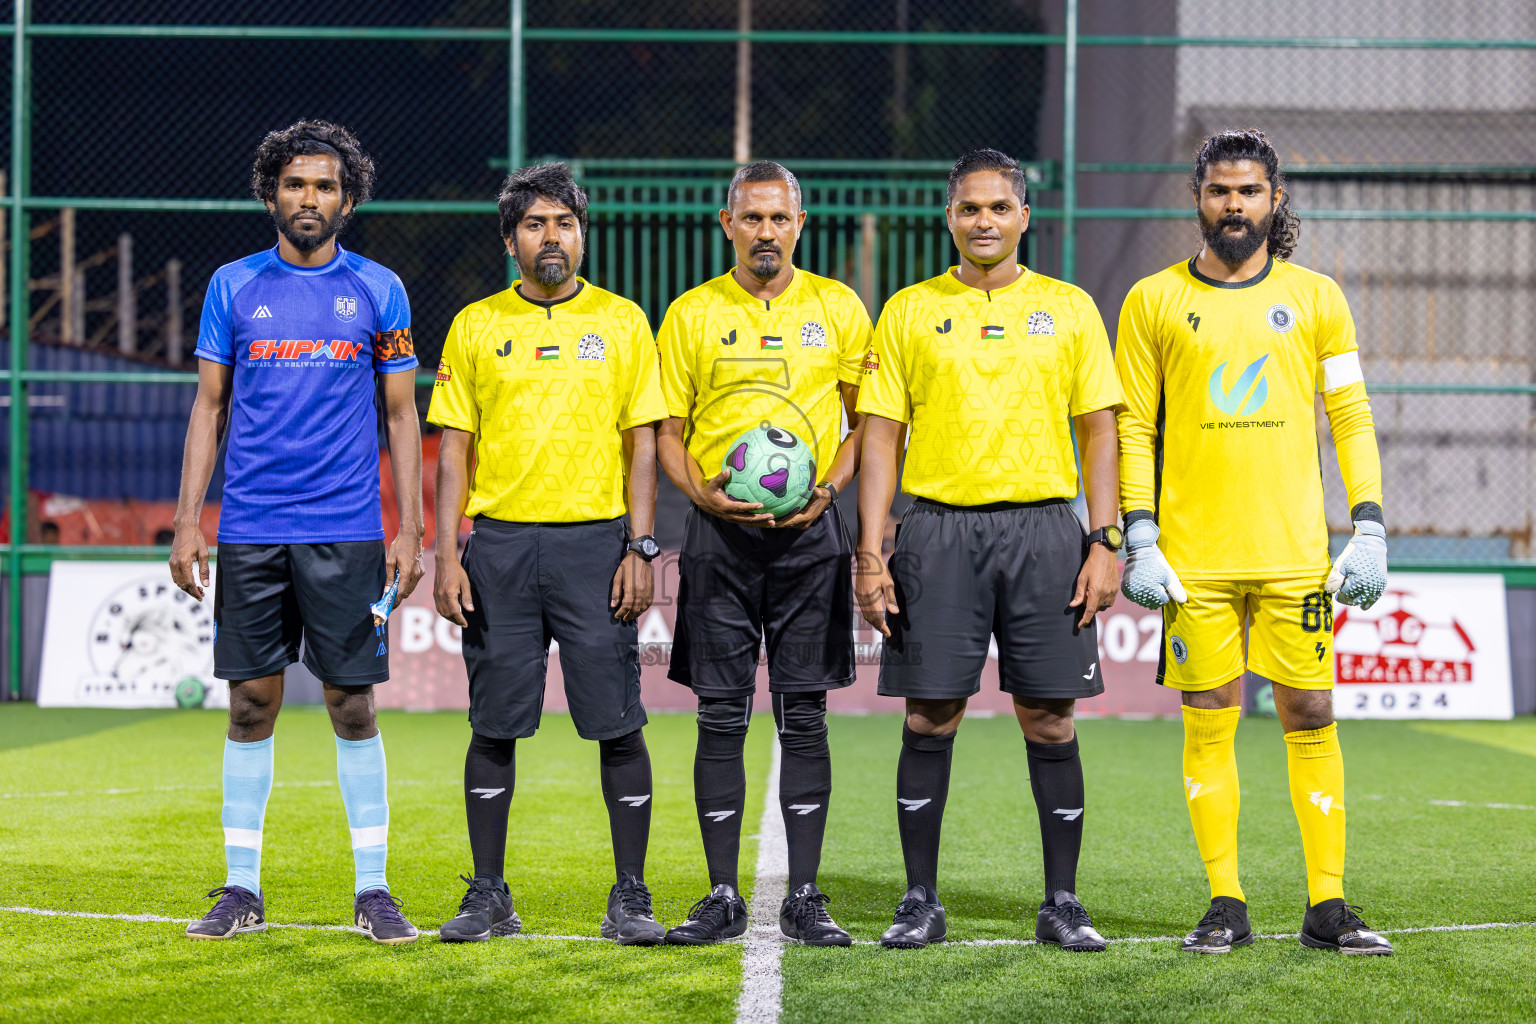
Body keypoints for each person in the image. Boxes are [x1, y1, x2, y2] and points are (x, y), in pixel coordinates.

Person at [1115, 128, 1392, 956]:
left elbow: (1350, 415)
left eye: (1248, 191)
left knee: (1311, 711)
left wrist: (1368, 522)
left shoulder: (1317, 297)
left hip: (1294, 555)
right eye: (1219, 192)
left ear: (1275, 200)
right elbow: (1133, 426)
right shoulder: (1153, 300)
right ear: (1196, 199)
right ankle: (1225, 902)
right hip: (1192, 559)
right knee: (1210, 718)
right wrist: (1138, 533)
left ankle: (1327, 907)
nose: (1233, 205)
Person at [855, 148, 1122, 951]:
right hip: (937, 530)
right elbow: (879, 439)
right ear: (950, 218)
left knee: (1049, 719)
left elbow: (1100, 430)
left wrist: (1105, 538)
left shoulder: (1070, 309)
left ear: (1024, 217)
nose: (984, 222)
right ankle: (919, 901)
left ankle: (1063, 902)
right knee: (931, 714)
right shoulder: (907, 311)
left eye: (999, 208)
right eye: (970, 209)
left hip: (1045, 530)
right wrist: (870, 551)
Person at [170, 120, 424, 944]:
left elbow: (400, 413)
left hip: (347, 530)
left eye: (323, 186)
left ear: (347, 199)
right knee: (250, 705)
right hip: (250, 529)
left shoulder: (380, 290)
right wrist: (187, 522)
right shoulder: (232, 286)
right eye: (293, 184)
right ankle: (241, 886)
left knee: (352, 704)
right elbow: (209, 407)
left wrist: (410, 528)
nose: (307, 198)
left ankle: (374, 889)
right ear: (271, 193)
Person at [428, 163, 669, 945]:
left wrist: (640, 545)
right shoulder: (474, 326)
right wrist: (447, 551)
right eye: (535, 224)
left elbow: (643, 446)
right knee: (494, 725)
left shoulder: (625, 322)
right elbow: (451, 450)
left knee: (617, 724)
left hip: (596, 547)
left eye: (564, 222)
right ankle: (489, 895)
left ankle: (630, 896)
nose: (551, 236)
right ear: (510, 241)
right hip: (498, 548)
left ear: (582, 234)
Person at [656, 161, 870, 946]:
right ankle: (721, 894)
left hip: (811, 537)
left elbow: (865, 424)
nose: (766, 232)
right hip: (717, 537)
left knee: (804, 712)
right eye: (752, 218)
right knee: (719, 714)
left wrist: (829, 490)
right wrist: (703, 496)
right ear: (727, 224)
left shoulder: (839, 308)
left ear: (800, 225)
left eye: (779, 219)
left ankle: (804, 896)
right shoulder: (689, 314)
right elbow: (666, 434)